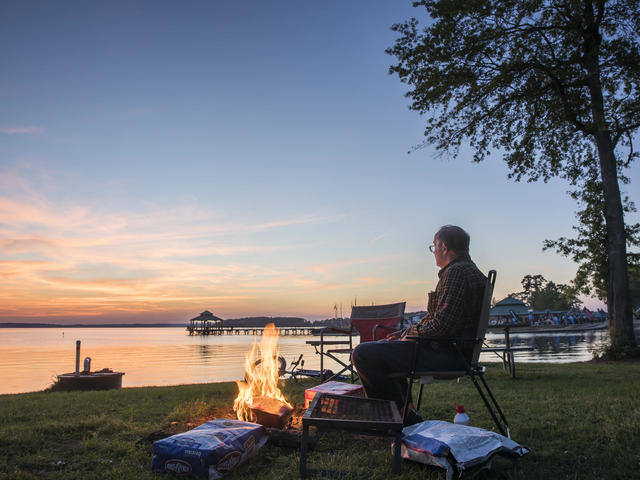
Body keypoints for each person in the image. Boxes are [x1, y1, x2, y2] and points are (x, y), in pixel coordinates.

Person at [352, 225, 486, 425]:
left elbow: (442, 326)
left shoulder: (456, 274)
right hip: (456, 351)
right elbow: (439, 319)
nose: (433, 253)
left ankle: (393, 419)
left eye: (434, 246)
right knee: (384, 349)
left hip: (449, 355)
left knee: (363, 353)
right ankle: (406, 414)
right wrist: (406, 333)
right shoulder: (471, 271)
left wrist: (410, 335)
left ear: (444, 247)